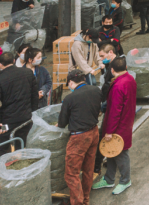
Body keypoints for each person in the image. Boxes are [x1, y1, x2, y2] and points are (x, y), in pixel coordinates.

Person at [92, 56, 137, 195]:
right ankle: (109, 178)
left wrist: (109, 131)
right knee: (111, 151)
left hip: (118, 126)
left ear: (112, 70)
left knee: (121, 152)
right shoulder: (130, 79)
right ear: (126, 68)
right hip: (126, 121)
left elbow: (115, 110)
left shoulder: (118, 86)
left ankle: (125, 180)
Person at [58, 69, 102, 205]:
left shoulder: (69, 98)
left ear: (71, 82)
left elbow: (62, 123)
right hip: (94, 132)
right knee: (88, 169)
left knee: (71, 174)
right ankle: (86, 199)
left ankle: (78, 202)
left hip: (79, 138)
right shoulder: (96, 90)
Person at [0, 52, 38, 164]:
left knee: (2, 149)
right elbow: (34, 95)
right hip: (26, 117)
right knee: (24, 145)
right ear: (13, 61)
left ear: (0, 65)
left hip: (8, 121)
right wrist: (33, 113)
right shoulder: (28, 73)